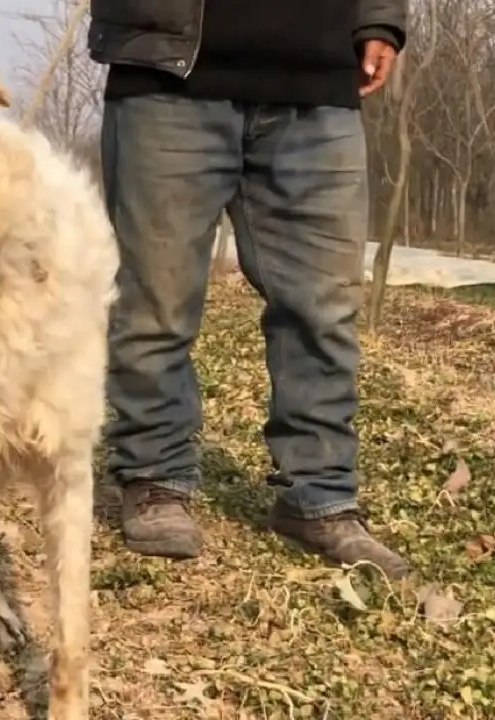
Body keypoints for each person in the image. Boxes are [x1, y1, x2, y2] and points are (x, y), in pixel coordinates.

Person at [88, 0, 411, 578]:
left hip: (319, 76)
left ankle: (321, 496)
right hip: (167, 71)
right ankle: (155, 476)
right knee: (155, 301)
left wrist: (380, 17)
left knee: (324, 307)